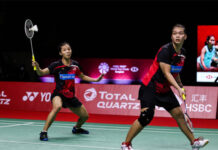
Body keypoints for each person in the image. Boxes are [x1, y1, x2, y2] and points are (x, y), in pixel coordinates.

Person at [121, 24, 209, 150]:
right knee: (146, 117)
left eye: (180, 33)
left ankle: (194, 142)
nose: (177, 35)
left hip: (164, 89)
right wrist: (178, 89)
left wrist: (181, 86)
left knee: (178, 113)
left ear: (185, 36)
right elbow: (167, 73)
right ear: (172, 36)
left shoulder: (183, 53)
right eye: (174, 33)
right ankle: (126, 144)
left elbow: (175, 71)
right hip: (150, 87)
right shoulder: (165, 50)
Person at [32, 42, 104, 141]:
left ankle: (77, 128)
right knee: (57, 106)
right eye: (64, 50)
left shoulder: (75, 65)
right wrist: (37, 67)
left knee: (85, 116)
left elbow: (82, 76)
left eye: (69, 49)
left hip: (70, 95)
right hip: (59, 93)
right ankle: (43, 132)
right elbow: (41, 73)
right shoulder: (56, 65)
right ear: (60, 53)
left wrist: (96, 80)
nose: (67, 51)